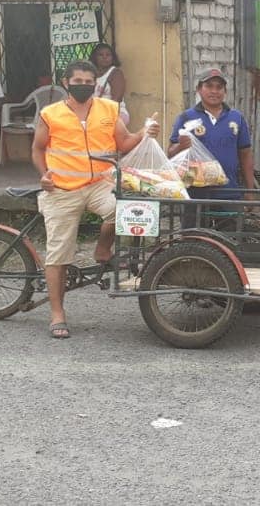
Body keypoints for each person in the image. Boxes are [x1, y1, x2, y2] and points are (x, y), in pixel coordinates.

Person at [32, 60, 160, 339]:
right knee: (58, 254)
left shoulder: (108, 109)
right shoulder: (50, 114)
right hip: (62, 189)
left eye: (88, 82)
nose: (83, 86)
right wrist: (44, 175)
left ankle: (102, 250)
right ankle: (57, 314)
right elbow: (38, 149)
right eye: (78, 81)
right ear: (66, 83)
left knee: (125, 210)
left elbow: (124, 143)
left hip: (100, 183)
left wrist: (144, 132)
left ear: (95, 84)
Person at [167, 68, 257, 211]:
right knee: (195, 226)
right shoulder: (186, 117)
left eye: (219, 87)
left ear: (225, 91)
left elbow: (245, 154)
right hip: (195, 193)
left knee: (229, 226)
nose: (214, 91)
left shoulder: (236, 118)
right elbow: (170, 154)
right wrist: (180, 147)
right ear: (199, 89)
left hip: (229, 192)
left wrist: (250, 191)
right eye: (209, 86)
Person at [90, 43, 129, 124]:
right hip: (96, 114)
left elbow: (116, 100)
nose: (105, 57)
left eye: (108, 55)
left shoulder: (115, 73)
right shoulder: (91, 74)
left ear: (113, 57)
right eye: (100, 55)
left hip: (114, 114)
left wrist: (104, 116)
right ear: (95, 57)